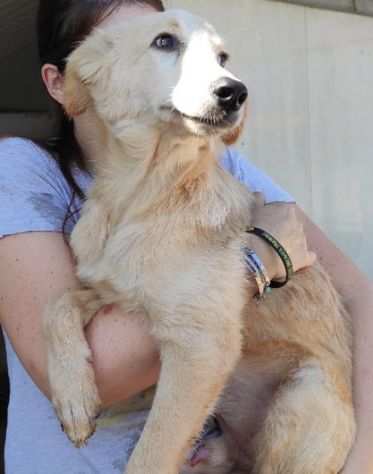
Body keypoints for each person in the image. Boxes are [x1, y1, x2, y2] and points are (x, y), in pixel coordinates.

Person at [0, 1, 371, 473]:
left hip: (294, 410)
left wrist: (364, 460)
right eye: (164, 44)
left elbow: (359, 293)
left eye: (215, 57)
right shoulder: (23, 170)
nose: (217, 77)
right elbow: (104, 367)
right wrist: (258, 261)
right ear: (69, 82)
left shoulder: (218, 162)